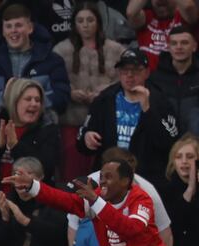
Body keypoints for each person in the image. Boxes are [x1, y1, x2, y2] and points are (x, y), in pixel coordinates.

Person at [3, 159, 179, 246]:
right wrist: (33, 186)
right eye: (101, 177)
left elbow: (132, 229)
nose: (102, 182)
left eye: (109, 178)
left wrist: (96, 202)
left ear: (125, 181)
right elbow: (64, 200)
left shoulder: (141, 199)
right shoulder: (97, 200)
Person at [67, 147, 174, 246]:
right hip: (94, 230)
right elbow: (73, 226)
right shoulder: (89, 184)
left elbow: (164, 232)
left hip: (127, 242)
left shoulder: (146, 191)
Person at [76, 47, 179, 190]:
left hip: (146, 179)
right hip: (109, 178)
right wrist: (86, 138)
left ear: (147, 73)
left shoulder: (161, 101)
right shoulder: (105, 99)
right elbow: (82, 139)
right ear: (119, 73)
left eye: (135, 70)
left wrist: (147, 109)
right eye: (124, 71)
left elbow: (169, 143)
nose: (129, 75)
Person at [53, 1, 125, 182]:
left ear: (98, 22)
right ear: (74, 24)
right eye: (81, 20)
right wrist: (70, 92)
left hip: (104, 120)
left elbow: (123, 81)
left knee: (102, 169)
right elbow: (54, 81)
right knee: (71, 169)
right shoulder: (61, 50)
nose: (85, 25)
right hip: (71, 118)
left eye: (90, 20)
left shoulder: (116, 50)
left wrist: (104, 92)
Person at [0, 78, 61, 213]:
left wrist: (16, 146)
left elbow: (46, 168)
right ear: (14, 101)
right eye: (28, 99)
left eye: (38, 100)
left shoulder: (48, 129)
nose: (34, 104)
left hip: (33, 205)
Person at [0, 3, 71, 119]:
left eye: (18, 25)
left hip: (41, 131)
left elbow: (62, 98)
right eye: (8, 26)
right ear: (3, 31)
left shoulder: (52, 61)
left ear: (30, 28)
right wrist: (5, 97)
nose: (13, 30)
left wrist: (27, 101)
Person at [0, 157, 69, 246]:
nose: (20, 180)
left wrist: (26, 221)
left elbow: (59, 236)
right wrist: (4, 219)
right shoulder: (8, 203)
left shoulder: (54, 202)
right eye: (16, 175)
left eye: (27, 175)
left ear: (40, 178)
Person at [148, 26, 199, 136]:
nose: (179, 47)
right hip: (163, 140)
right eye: (174, 43)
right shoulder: (156, 78)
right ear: (169, 47)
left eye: (184, 43)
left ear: (194, 46)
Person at [126, 0, 198, 71]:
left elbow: (188, 6)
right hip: (149, 79)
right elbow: (131, 12)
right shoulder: (146, 17)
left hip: (178, 77)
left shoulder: (184, 18)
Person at [163, 134, 199, 246]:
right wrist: (190, 190)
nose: (184, 161)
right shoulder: (165, 191)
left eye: (190, 157)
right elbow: (173, 225)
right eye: (178, 157)